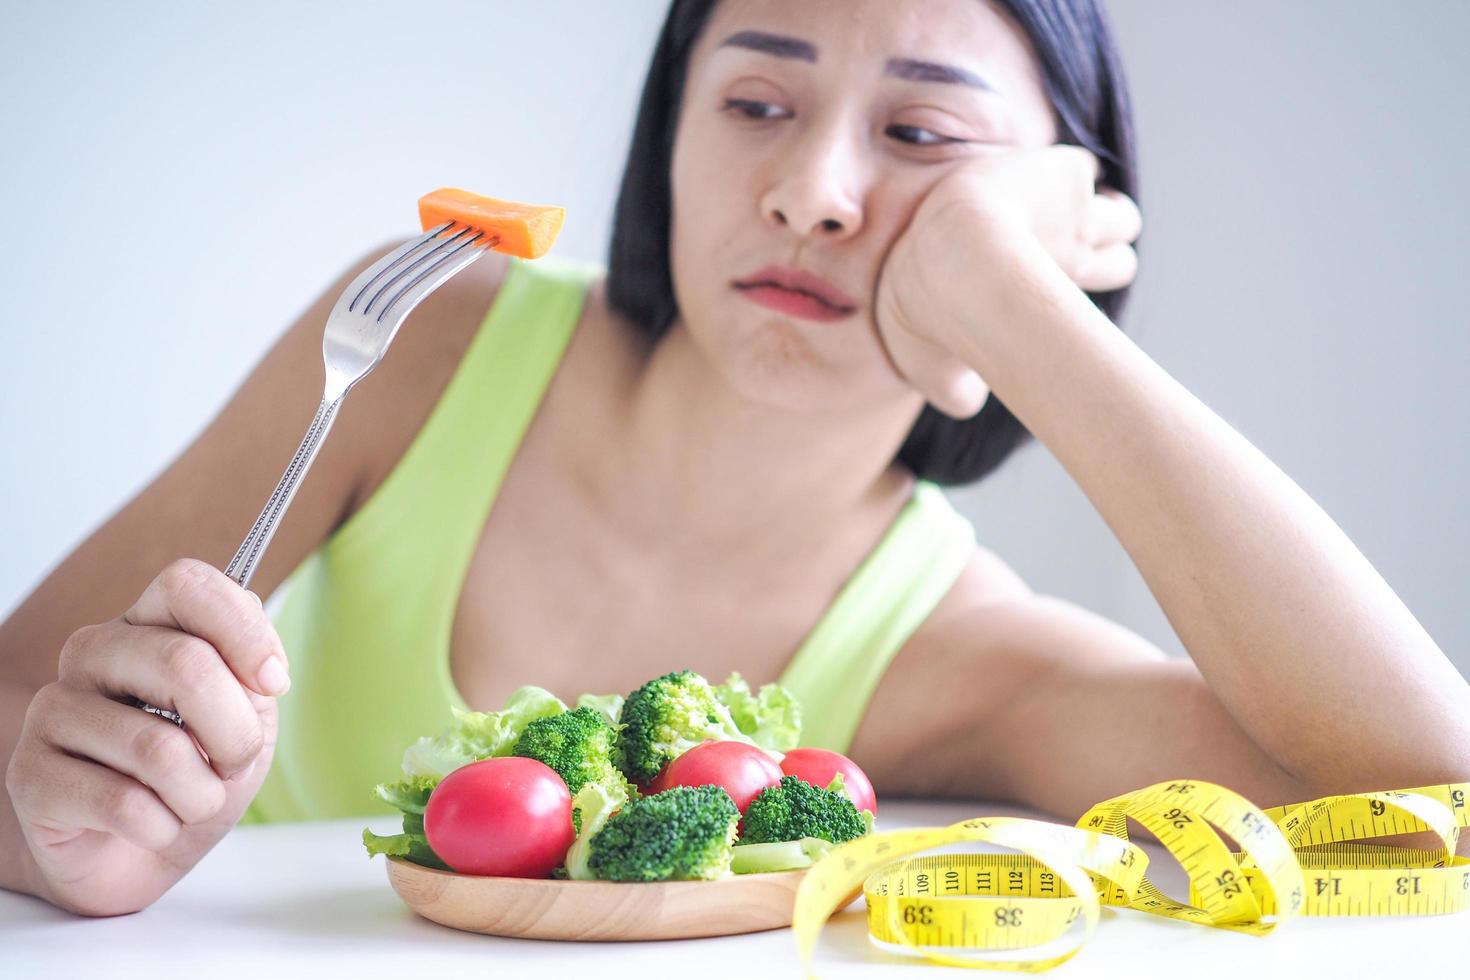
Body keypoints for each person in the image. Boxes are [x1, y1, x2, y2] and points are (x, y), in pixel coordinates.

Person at [3, 0, 1467, 918]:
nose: (814, 193)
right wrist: (57, 840)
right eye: (754, 105)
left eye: (922, 141)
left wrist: (1026, 317)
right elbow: (18, 701)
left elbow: (1423, 790)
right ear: (671, 134)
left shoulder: (957, 653)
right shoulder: (419, 333)